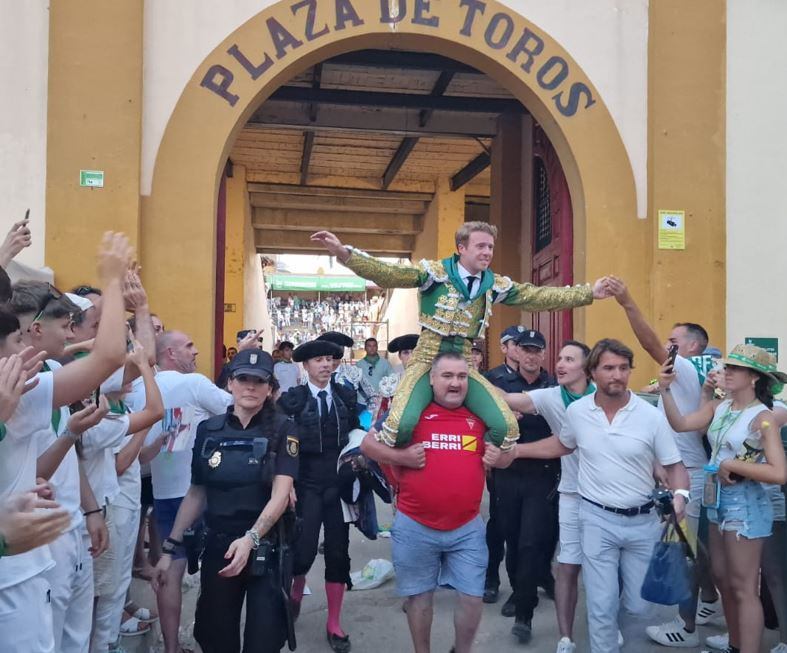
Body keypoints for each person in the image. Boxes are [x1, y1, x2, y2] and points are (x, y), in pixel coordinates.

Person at [311, 223, 611, 450]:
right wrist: (345, 254)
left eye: (490, 247)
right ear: (461, 248)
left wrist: (588, 293)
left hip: (464, 363)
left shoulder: (494, 284)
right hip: (427, 359)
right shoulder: (434, 273)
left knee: (507, 428)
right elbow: (389, 274)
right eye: (480, 246)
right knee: (400, 426)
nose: (487, 252)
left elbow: (536, 296)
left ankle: (464, 462)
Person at [508, 339, 690, 653]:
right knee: (601, 605)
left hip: (643, 522)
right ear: (593, 372)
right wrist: (516, 451)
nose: (617, 375)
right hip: (596, 519)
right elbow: (563, 444)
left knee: (639, 606)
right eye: (609, 368)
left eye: (623, 368)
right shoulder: (578, 412)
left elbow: (675, 465)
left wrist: (681, 496)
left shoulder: (650, 415)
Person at [0, 232, 132, 653]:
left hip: (29, 562)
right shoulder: (15, 396)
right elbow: (109, 357)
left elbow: (109, 357)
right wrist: (112, 281)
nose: (26, 351)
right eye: (17, 341)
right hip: (15, 575)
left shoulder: (24, 391)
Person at [360, 352, 511, 653]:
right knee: (420, 598)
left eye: (462, 376)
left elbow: (508, 455)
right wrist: (402, 457)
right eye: (447, 376)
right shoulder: (409, 413)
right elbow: (367, 445)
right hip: (415, 525)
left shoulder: (479, 416)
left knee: (472, 598)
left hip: (467, 528)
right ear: (431, 379)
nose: (455, 383)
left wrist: (501, 458)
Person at [152, 349, 298, 652]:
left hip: (266, 549)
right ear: (230, 383)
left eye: (259, 381)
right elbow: (196, 492)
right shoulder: (209, 429)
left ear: (270, 388)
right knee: (216, 637)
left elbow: (281, 494)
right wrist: (169, 548)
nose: (250, 387)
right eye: (243, 378)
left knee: (264, 640)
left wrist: (251, 538)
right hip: (219, 548)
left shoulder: (284, 428)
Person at [608, 277, 721, 646]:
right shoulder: (701, 372)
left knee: (682, 550)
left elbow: (649, 343)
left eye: (675, 341)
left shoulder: (686, 367)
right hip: (691, 473)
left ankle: (685, 628)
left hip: (685, 476)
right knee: (696, 547)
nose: (668, 347)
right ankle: (708, 601)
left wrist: (627, 302)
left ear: (693, 346)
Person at [659, 343, 787, 653]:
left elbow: (779, 472)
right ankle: (735, 644)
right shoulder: (720, 407)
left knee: (743, 586)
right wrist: (665, 389)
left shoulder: (763, 417)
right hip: (715, 500)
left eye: (735, 369)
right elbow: (681, 424)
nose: (726, 372)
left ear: (754, 378)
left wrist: (731, 465)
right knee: (723, 578)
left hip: (745, 505)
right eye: (727, 367)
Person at [136, 330, 233, 653]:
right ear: (170, 354)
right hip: (201, 491)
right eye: (189, 346)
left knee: (169, 570)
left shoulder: (141, 387)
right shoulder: (194, 384)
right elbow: (237, 408)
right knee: (217, 569)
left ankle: (171, 647)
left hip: (163, 491)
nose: (196, 351)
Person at [501, 340, 594, 652]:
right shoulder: (551, 396)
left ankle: (608, 624)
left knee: (603, 566)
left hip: (605, 495)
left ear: (587, 367)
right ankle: (534, 620)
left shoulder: (604, 398)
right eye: (560, 358)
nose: (560, 364)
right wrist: (466, 374)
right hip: (568, 491)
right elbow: (505, 398)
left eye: (569, 359)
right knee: (548, 554)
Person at [277, 339, 359, 653]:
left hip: (337, 486)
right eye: (318, 360)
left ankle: (334, 623)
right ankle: (296, 591)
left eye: (329, 359)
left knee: (338, 553)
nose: (325, 365)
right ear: (306, 365)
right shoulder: (293, 400)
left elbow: (357, 432)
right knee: (303, 549)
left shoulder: (345, 396)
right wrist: (286, 484)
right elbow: (278, 442)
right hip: (306, 485)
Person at [484, 328, 559, 642]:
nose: (530, 356)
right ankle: (519, 589)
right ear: (516, 352)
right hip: (508, 474)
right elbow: (481, 422)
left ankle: (524, 612)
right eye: (525, 350)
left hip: (543, 474)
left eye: (536, 350)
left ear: (543, 354)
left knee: (533, 540)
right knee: (512, 539)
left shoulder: (553, 386)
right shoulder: (497, 383)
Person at [481, 324, 525, 605]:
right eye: (516, 344)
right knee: (498, 524)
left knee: (527, 528)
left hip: (529, 461)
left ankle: (528, 582)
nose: (521, 350)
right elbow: (481, 417)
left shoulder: (539, 378)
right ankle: (491, 578)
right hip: (500, 461)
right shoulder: (491, 379)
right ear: (504, 348)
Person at [355, 337, 394, 408]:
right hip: (362, 402)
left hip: (380, 402)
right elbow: (355, 384)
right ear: (365, 348)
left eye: (374, 346)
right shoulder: (359, 365)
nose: (372, 348)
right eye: (369, 346)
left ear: (377, 347)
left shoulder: (385, 363)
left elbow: (392, 380)